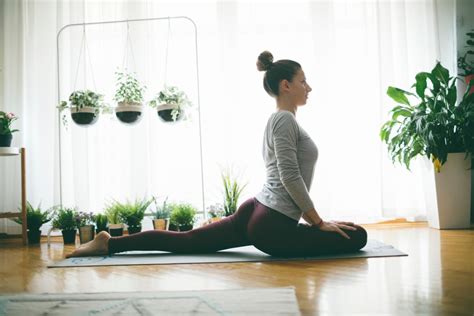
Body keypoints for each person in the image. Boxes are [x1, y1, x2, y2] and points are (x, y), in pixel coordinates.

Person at [66, 51, 367, 258]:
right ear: (286, 85)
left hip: (258, 209)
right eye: (303, 81)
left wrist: (318, 222)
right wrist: (317, 222)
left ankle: (110, 244)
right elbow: (289, 176)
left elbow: (285, 175)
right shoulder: (284, 120)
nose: (309, 87)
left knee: (188, 241)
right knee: (358, 237)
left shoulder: (278, 120)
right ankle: (109, 244)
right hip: (271, 223)